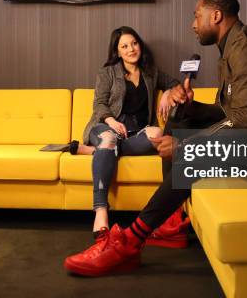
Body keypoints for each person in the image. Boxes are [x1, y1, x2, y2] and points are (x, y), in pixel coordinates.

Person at [64, 0, 247, 276]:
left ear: (216, 15)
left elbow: (244, 122)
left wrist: (185, 147)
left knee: (196, 153)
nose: (193, 24)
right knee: (179, 117)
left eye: (197, 16)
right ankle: (171, 222)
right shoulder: (231, 48)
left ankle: (129, 242)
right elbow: (230, 113)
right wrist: (189, 107)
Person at [76, 26, 187, 245]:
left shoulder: (150, 72)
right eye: (124, 46)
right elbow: (98, 104)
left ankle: (97, 153)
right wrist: (111, 121)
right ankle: (100, 210)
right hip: (105, 127)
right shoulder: (107, 73)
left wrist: (166, 93)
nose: (131, 49)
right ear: (117, 52)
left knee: (158, 134)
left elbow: (174, 84)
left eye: (134, 43)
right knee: (109, 140)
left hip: (135, 132)